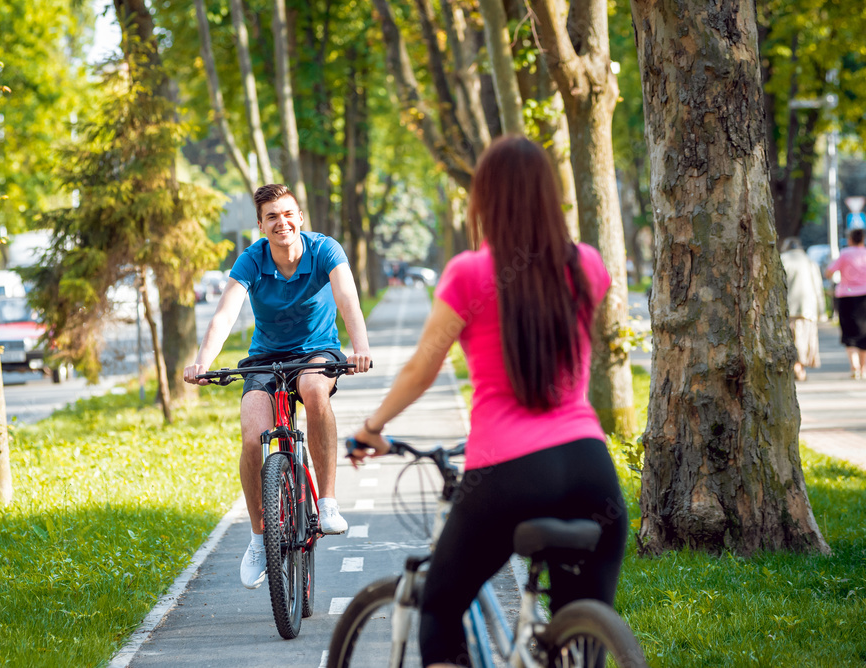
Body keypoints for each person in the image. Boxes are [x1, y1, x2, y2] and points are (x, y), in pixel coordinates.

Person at [348, 136, 627, 668]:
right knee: (579, 638)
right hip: (592, 470)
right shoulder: (587, 266)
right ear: (550, 196)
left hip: (509, 474)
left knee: (440, 605)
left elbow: (421, 369)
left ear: (485, 200)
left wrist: (372, 426)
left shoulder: (471, 273)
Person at [184, 184, 372, 589]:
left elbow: (348, 300)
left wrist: (360, 349)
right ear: (260, 225)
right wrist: (203, 362)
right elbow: (225, 313)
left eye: (288, 214)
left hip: (317, 351)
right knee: (253, 436)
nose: (281, 222)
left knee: (314, 388)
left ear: (300, 217)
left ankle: (327, 503)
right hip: (266, 357)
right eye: (272, 216)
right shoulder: (252, 260)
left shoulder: (325, 250)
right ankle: (258, 538)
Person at [780, 237, 826, 381]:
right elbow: (818, 288)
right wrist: (822, 311)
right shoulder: (809, 261)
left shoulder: (782, 259)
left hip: (788, 307)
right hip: (808, 308)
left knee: (791, 339)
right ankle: (799, 368)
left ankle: (797, 367)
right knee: (804, 339)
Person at [826, 228, 866, 378]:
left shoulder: (845, 254)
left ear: (850, 240)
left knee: (848, 330)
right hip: (864, 296)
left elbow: (829, 272)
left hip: (846, 296)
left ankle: (854, 367)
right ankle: (863, 369)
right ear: (862, 239)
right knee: (864, 331)